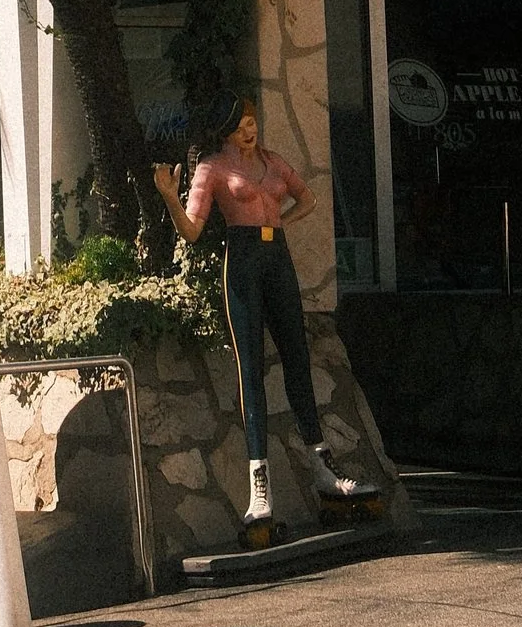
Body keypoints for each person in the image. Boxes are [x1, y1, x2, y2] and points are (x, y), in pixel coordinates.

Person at [156, 92, 372, 542]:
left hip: (278, 259)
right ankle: (260, 489)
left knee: (297, 359)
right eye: (241, 125)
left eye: (252, 121)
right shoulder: (212, 167)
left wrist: (282, 226)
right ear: (225, 129)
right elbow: (193, 231)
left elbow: (307, 198)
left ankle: (323, 468)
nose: (250, 131)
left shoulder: (274, 162)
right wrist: (171, 199)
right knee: (250, 368)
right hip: (244, 261)